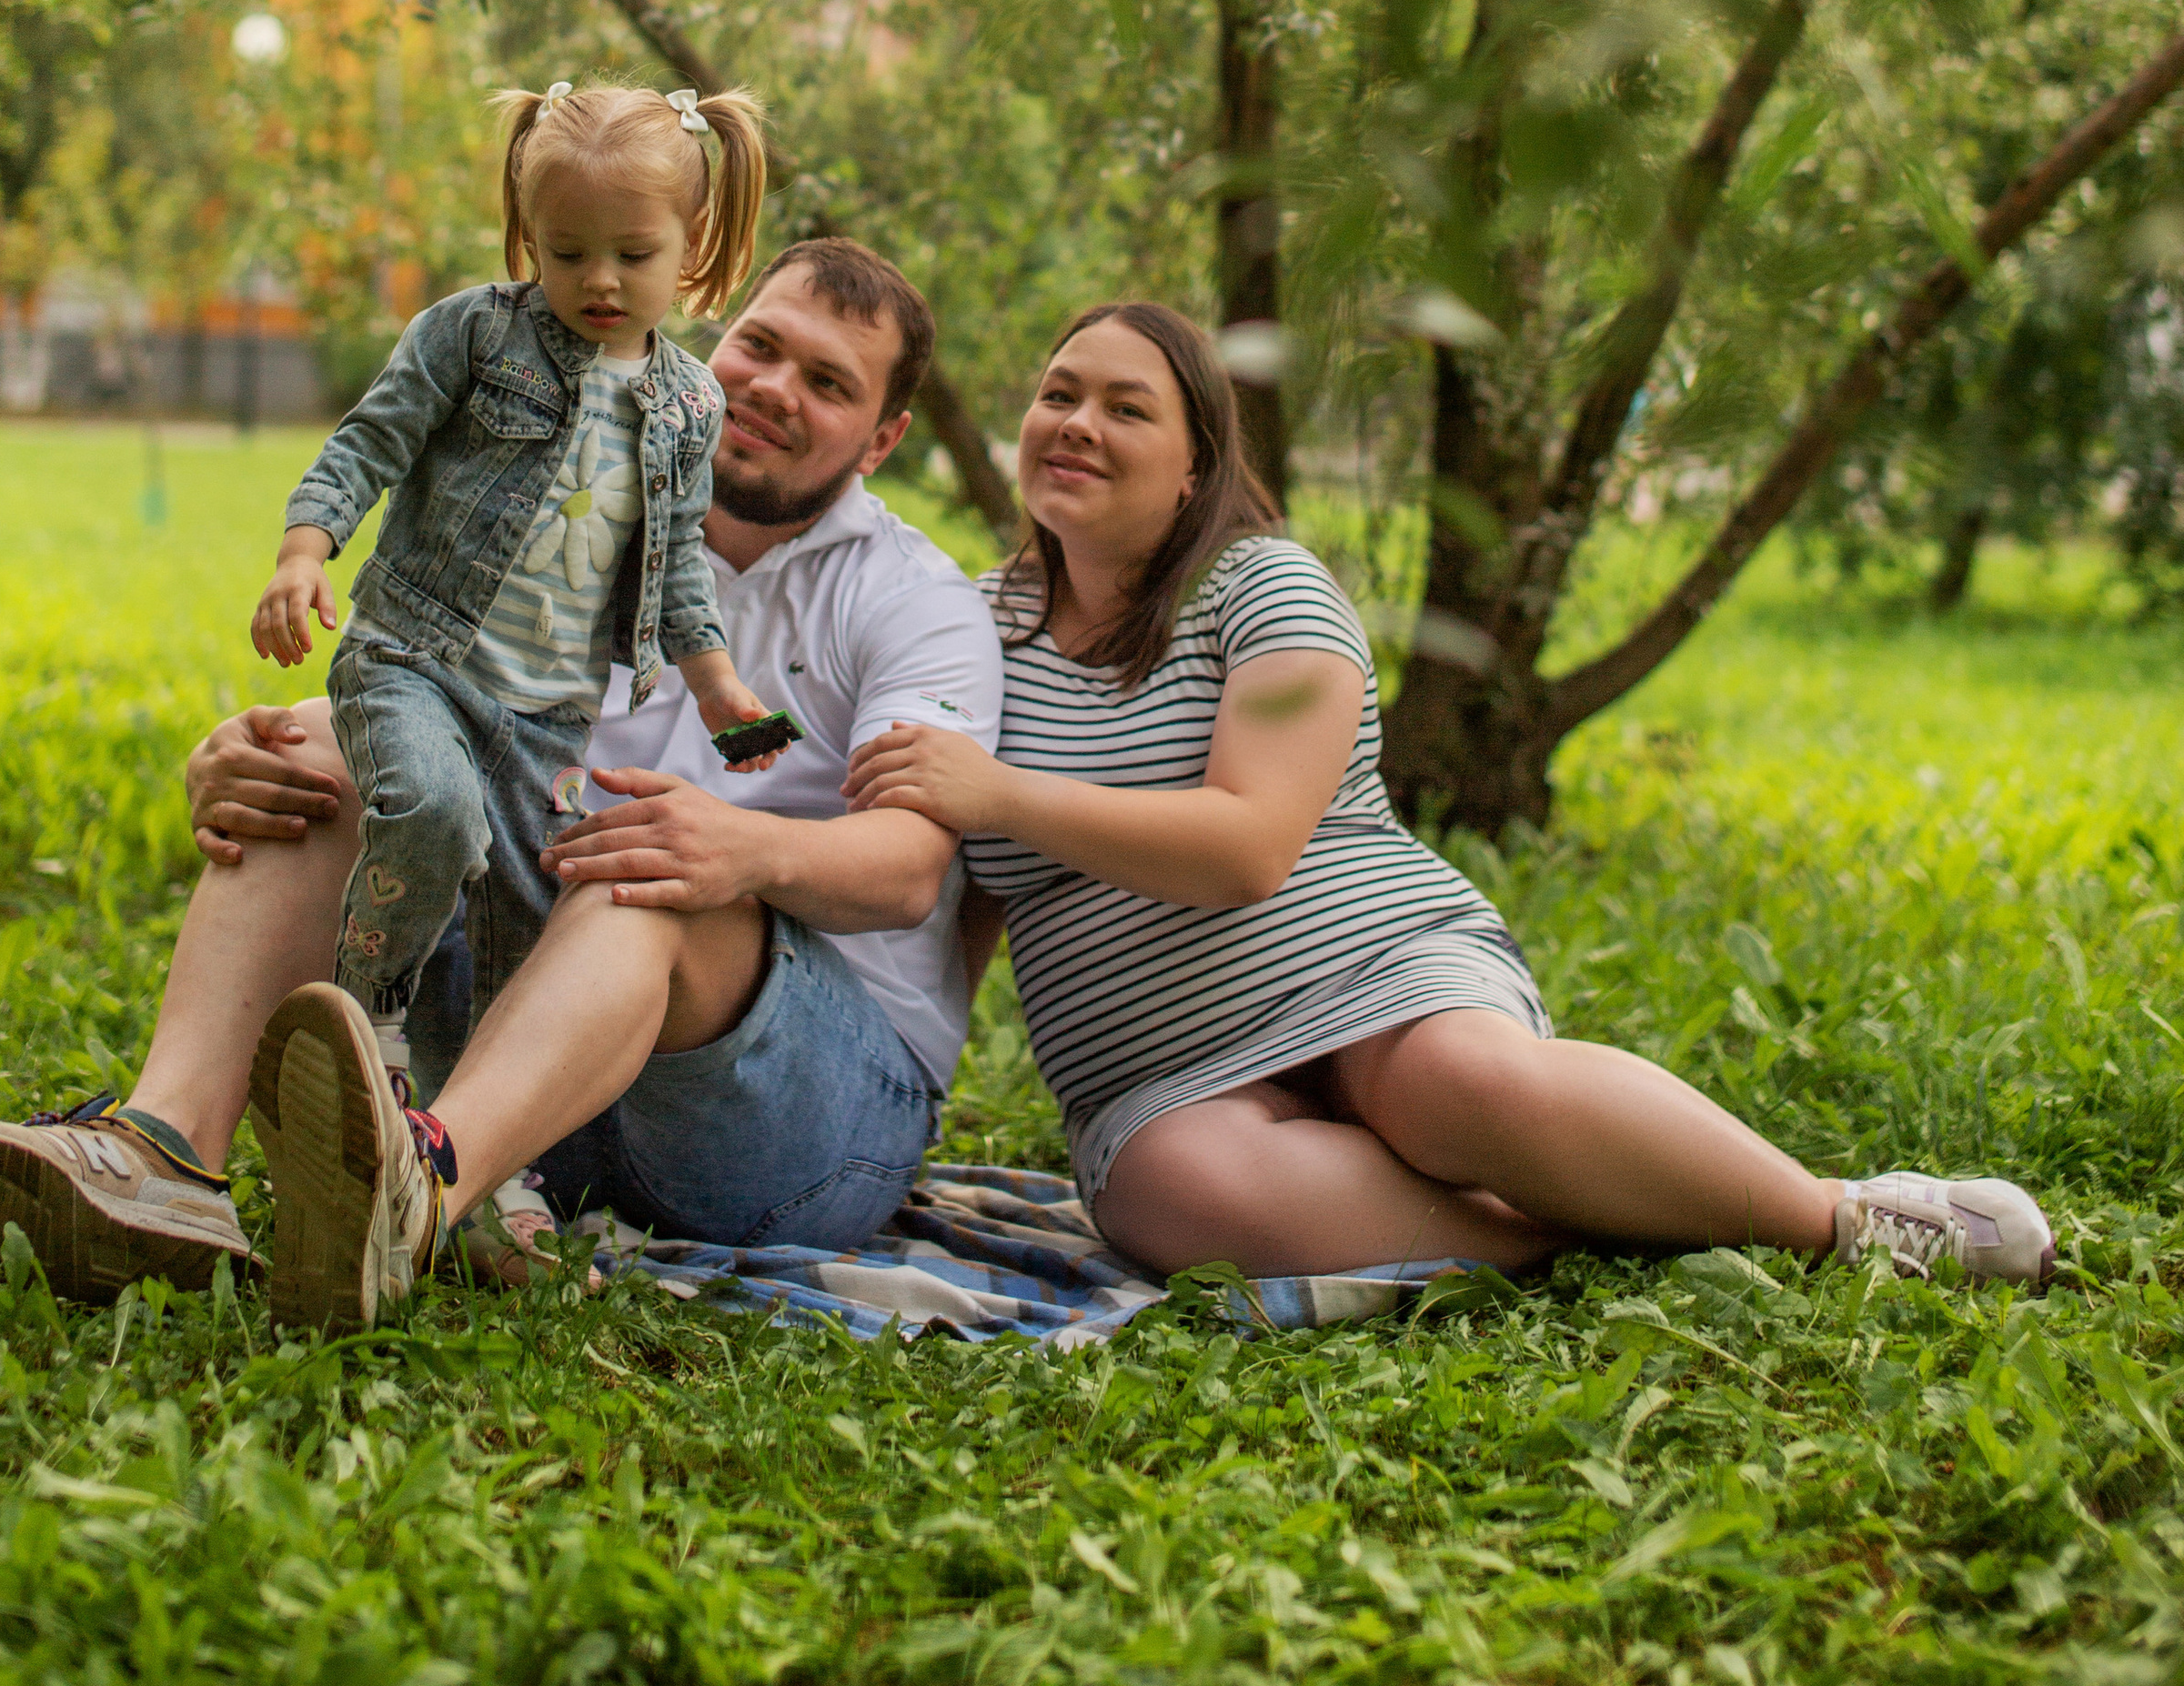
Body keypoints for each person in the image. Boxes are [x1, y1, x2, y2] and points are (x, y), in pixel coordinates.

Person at [0, 239, 1003, 1326]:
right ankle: (164, 1156)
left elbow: (907, 870)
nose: (771, 388)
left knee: (656, 871)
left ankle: (417, 1193)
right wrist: (247, 748)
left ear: (882, 440)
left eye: (827, 382)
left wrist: (745, 850)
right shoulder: (576, 509)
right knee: (333, 744)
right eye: (760, 346)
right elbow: (411, 699)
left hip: (799, 1118)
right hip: (543, 1061)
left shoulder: (912, 601)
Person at [847, 299, 2056, 1293]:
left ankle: (1837, 1219)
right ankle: (1583, 1234)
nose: (1077, 423)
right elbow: (960, 904)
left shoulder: (1263, 588)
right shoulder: (973, 627)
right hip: (1153, 1073)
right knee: (1182, 1201)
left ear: (1195, 466)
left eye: (1126, 407)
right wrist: (896, 1088)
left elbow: (1249, 847)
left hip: (1361, 970)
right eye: (1059, 393)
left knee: (1458, 1089)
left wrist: (999, 792)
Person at [253, 77, 779, 1091]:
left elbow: (674, 574)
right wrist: (303, 550)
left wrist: (721, 690)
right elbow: (370, 443)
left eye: (634, 256)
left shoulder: (688, 403)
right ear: (527, 231)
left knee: (516, 929)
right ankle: (359, 1028)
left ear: (695, 239)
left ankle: (443, 1137)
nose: (601, 281)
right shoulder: (473, 334)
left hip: (548, 712)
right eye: (566, 252)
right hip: (416, 655)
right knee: (436, 815)